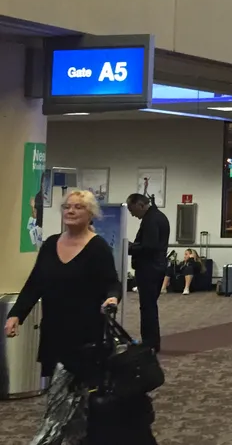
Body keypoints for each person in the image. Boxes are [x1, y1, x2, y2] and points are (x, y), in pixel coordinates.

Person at [5, 190, 153, 443]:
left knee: (62, 403)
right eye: (67, 207)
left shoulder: (97, 248)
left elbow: (112, 283)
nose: (71, 211)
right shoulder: (51, 245)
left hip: (87, 339)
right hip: (54, 334)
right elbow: (34, 285)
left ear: (90, 214)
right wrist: (16, 315)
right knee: (72, 404)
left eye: (78, 207)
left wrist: (111, 298)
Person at [127, 193, 169, 353]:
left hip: (149, 268)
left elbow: (150, 247)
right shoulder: (159, 216)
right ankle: (152, 342)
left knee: (148, 307)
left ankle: (150, 342)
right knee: (149, 306)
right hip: (157, 267)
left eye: (132, 209)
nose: (132, 214)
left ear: (140, 205)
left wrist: (130, 247)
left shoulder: (151, 220)